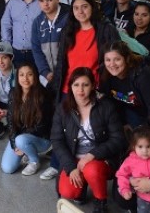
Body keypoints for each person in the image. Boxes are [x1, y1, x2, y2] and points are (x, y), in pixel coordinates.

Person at [52, 67, 125, 213]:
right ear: (70, 87)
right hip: (74, 159)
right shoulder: (62, 109)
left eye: (85, 85)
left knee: (91, 170)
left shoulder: (105, 106)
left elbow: (118, 139)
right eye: (76, 85)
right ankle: (82, 186)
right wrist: (70, 167)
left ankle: (101, 201)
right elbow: (57, 140)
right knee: (68, 192)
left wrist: (92, 155)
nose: (80, 90)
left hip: (99, 158)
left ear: (92, 86)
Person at [52, 0, 120, 103]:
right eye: (76, 8)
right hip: (68, 89)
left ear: (92, 7)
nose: (80, 11)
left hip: (94, 90)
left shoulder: (106, 30)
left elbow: (117, 59)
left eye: (84, 7)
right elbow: (61, 62)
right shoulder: (68, 30)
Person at [1, 63, 54, 176]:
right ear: (17, 77)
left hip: (41, 139)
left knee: (21, 140)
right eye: (22, 75)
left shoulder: (43, 95)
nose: (25, 78)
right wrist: (14, 144)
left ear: (35, 76)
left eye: (29, 74)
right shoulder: (13, 93)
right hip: (20, 138)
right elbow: (10, 121)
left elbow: (41, 126)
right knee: (7, 168)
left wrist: (19, 141)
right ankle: (25, 149)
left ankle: (34, 161)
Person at [99, 41, 150, 128]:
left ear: (127, 58)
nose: (112, 64)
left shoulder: (143, 75)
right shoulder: (106, 76)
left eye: (117, 59)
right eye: (108, 60)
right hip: (133, 113)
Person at [1, 0, 40, 68]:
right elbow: (6, 24)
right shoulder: (13, 2)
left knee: (37, 82)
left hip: (37, 53)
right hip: (17, 53)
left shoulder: (42, 1)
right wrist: (7, 48)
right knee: (18, 82)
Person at [31, 0, 70, 87]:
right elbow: (36, 50)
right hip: (47, 76)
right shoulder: (37, 22)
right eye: (41, 1)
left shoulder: (69, 18)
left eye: (49, 0)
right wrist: (45, 72)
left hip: (68, 75)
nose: (46, 4)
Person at [116, 125, 150, 212]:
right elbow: (121, 174)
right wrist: (125, 189)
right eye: (140, 147)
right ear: (133, 146)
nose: (144, 151)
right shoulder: (130, 160)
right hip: (144, 199)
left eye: (148, 146)